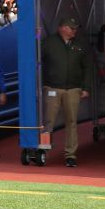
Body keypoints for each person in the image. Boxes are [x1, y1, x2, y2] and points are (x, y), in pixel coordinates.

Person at [40, 16, 93, 167]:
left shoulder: (79, 45)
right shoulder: (48, 43)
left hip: (73, 89)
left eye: (75, 28)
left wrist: (86, 88)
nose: (74, 31)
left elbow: (87, 67)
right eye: (72, 28)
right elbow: (36, 62)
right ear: (62, 27)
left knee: (72, 122)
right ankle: (44, 150)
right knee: (48, 122)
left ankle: (71, 155)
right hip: (53, 87)